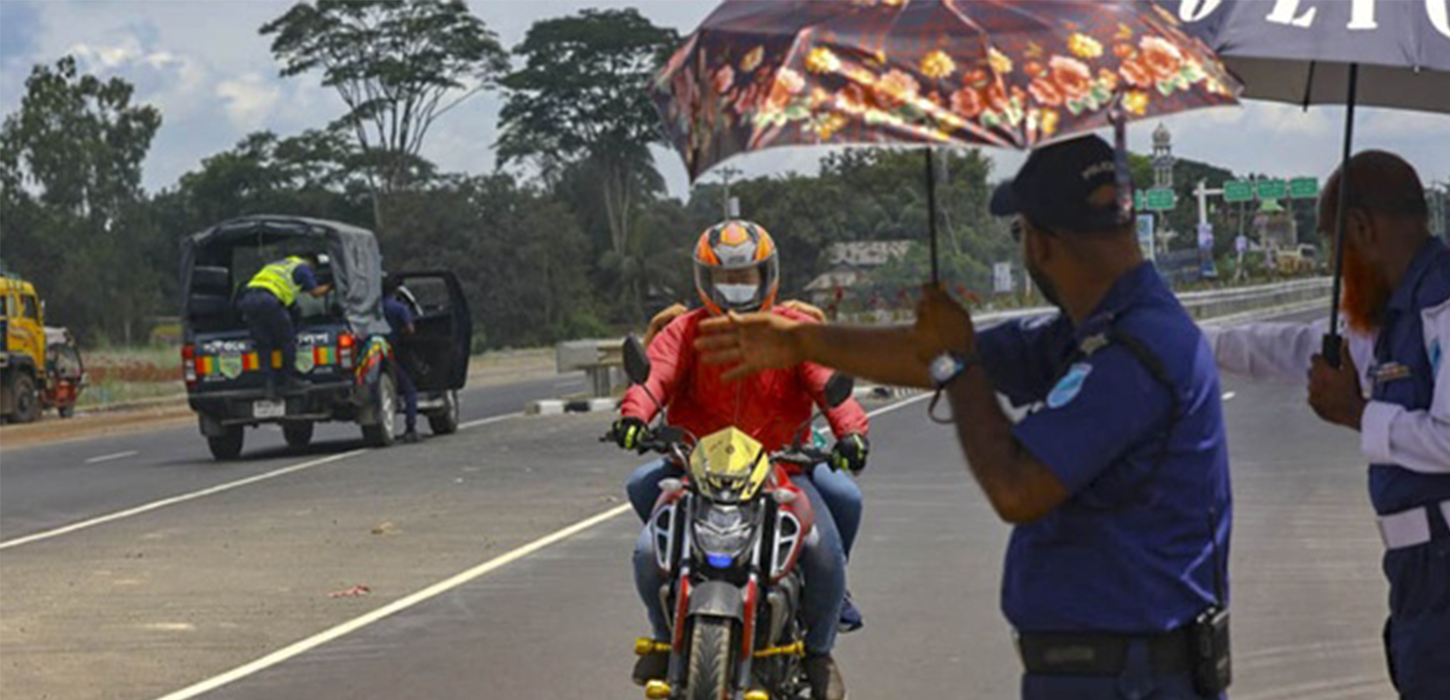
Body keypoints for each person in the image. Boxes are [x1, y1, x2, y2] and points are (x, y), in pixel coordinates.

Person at [696, 136, 1233, 700]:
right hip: (1107, 668)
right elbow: (935, 356)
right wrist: (803, 340)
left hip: (1132, 678)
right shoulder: (1094, 330)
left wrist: (955, 363)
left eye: (1021, 233)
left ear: (1044, 243)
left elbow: (1016, 487)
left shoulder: (1135, 352)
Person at [1204, 151, 1449, 699]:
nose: (1334, 267)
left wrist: (1357, 414)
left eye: (1333, 245)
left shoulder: (1442, 308)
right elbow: (1296, 346)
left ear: (1361, 228)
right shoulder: (1396, 314)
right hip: (1419, 575)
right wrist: (1198, 344)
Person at [611, 219, 869, 700]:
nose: (735, 289)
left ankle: (819, 652)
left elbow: (828, 379)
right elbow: (654, 376)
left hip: (780, 468)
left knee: (826, 552)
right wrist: (635, 415)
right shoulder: (684, 332)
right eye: (726, 279)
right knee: (649, 550)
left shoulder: (794, 330)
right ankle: (665, 636)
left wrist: (850, 430)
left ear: (766, 276)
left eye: (746, 277)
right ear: (704, 281)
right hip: (698, 470)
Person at [238, 253, 332, 395]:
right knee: (287, 339)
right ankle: (290, 379)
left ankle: (269, 385)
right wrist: (332, 285)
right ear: (312, 264)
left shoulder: (278, 265)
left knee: (264, 344)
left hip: (248, 300)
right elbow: (316, 293)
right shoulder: (303, 268)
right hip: (268, 301)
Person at [382, 275, 421, 444]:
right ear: (396, 290)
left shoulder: (373, 308)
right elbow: (410, 329)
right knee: (410, 390)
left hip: (375, 355)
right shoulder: (399, 308)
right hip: (394, 354)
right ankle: (410, 428)